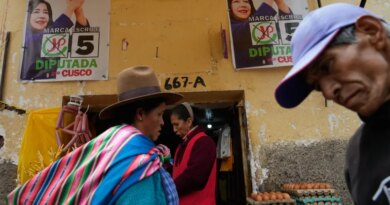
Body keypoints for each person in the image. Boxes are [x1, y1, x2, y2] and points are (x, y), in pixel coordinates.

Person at [7, 66, 183, 204]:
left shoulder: (109, 147)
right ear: (141, 114)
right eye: (159, 114)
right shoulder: (137, 162)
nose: (162, 122)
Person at [274, 3, 390, 204]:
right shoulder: (358, 155)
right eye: (318, 86)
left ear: (372, 32)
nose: (328, 92)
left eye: (327, 65)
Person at [21, 0, 89, 80]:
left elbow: (80, 41)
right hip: (30, 88)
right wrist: (71, 7)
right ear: (29, 15)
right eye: (36, 12)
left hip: (50, 87)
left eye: (46, 12)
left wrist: (78, 10)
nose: (42, 15)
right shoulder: (27, 37)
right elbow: (48, 36)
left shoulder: (55, 37)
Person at [170, 102, 217, 205]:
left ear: (189, 121)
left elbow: (195, 178)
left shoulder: (204, 142)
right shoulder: (181, 145)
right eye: (172, 125)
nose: (174, 129)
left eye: (176, 124)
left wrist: (167, 190)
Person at [228, 0, 292, 68]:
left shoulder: (263, 24)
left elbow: (287, 29)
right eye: (236, 1)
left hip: (268, 73)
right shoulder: (230, 27)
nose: (243, 5)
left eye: (246, 1)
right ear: (229, 7)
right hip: (244, 76)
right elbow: (250, 28)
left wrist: (280, 2)